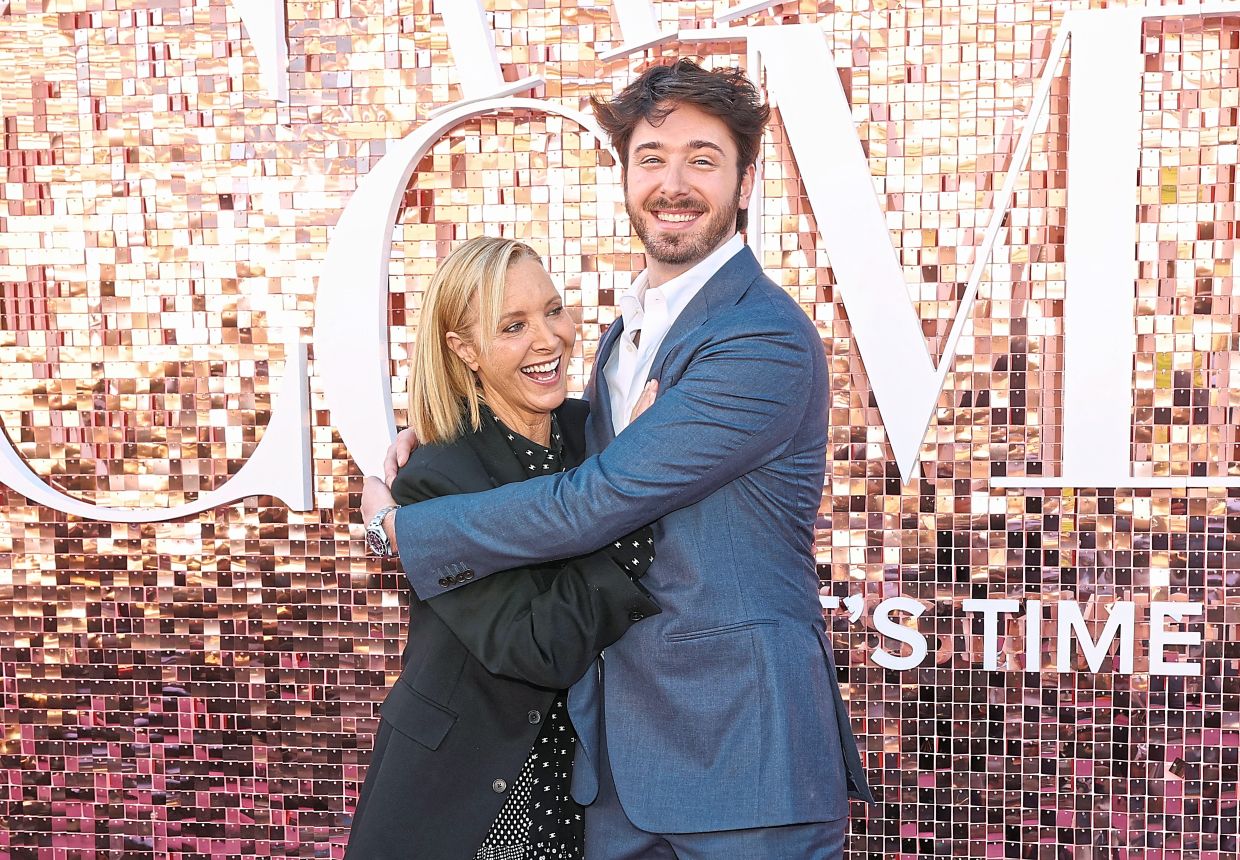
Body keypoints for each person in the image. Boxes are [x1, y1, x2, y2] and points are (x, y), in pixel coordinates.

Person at [364, 60, 874, 858]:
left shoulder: (761, 338)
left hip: (743, 755)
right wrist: (443, 430)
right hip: (616, 772)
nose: (674, 183)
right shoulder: (622, 334)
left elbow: (601, 497)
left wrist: (403, 530)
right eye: (652, 158)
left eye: (703, 159)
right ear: (627, 176)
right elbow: (572, 443)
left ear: (745, 182)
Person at [346, 236, 661, 859]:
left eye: (553, 310)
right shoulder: (435, 476)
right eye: (513, 326)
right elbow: (535, 647)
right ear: (464, 350)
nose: (548, 339)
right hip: (468, 797)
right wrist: (636, 498)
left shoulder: (592, 431)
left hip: (588, 796)